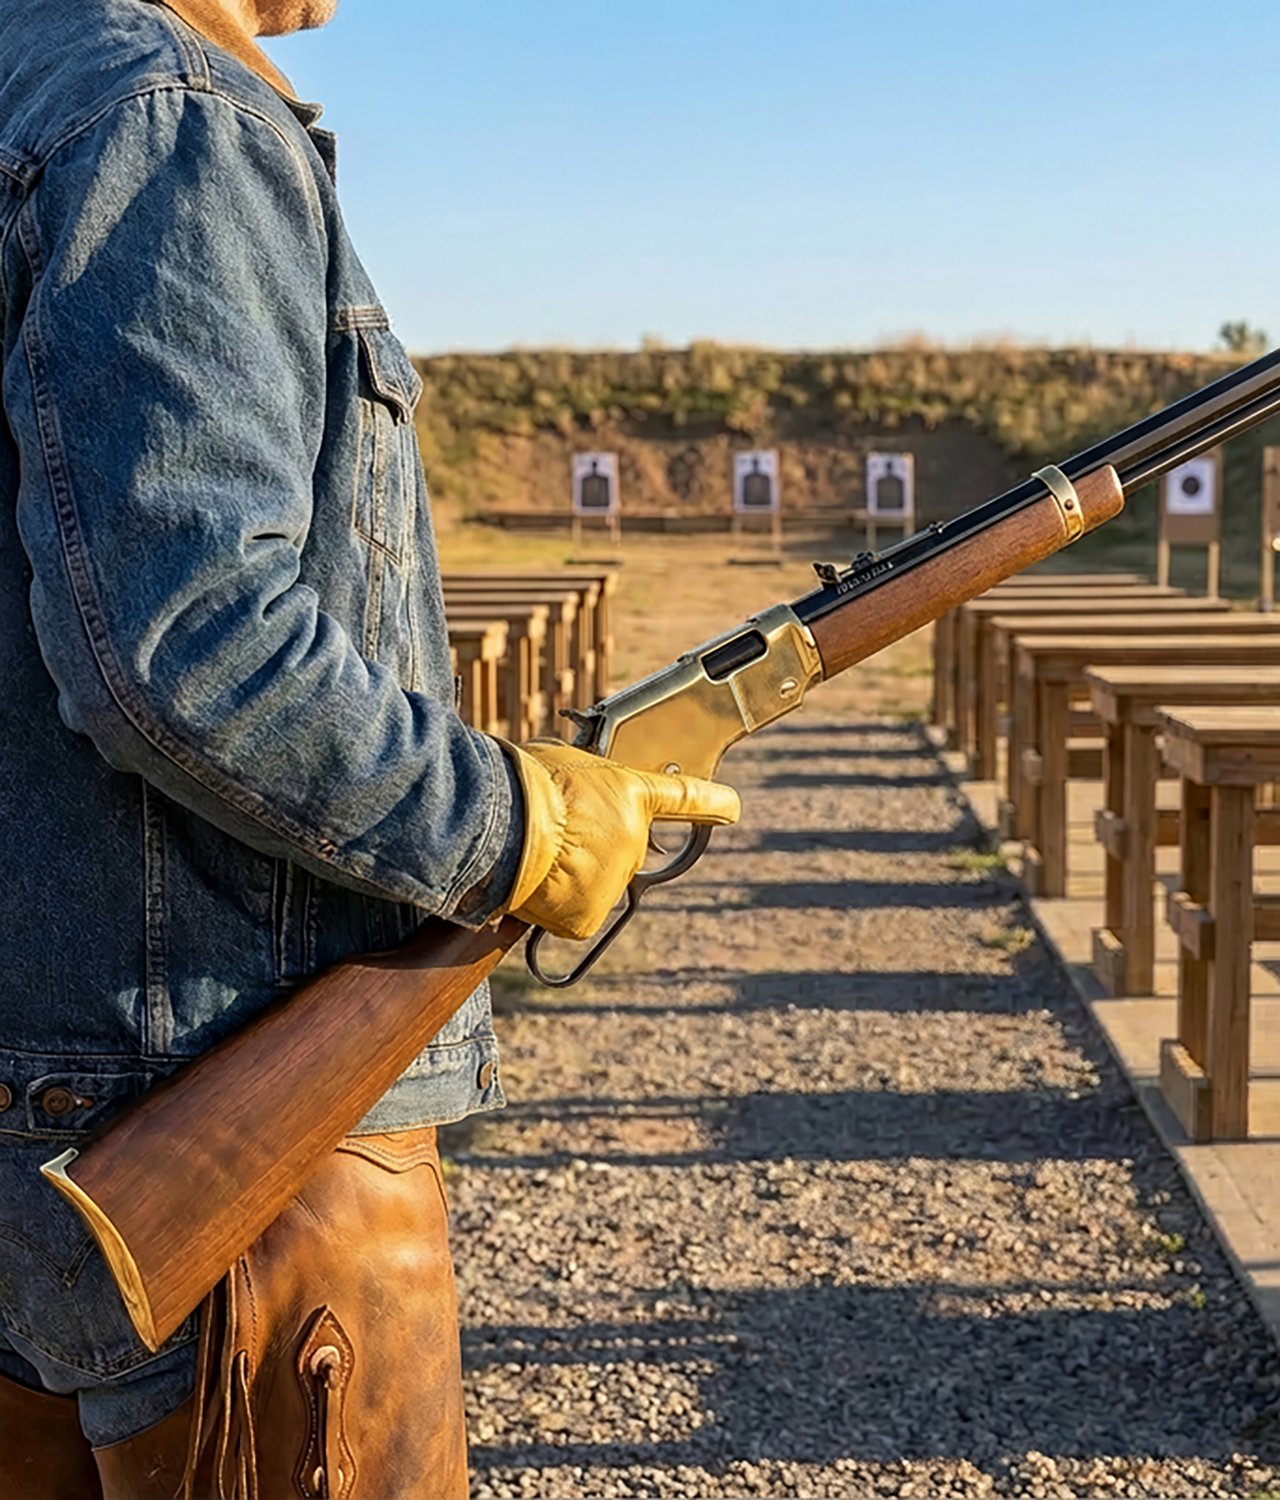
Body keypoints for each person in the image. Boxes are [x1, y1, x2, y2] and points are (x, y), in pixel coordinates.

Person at [0, 1, 739, 1494]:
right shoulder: (172, 114)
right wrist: (516, 827)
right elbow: (187, 646)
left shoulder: (41, 80)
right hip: (219, 1127)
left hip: (58, 1091)